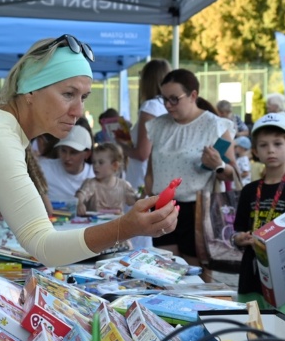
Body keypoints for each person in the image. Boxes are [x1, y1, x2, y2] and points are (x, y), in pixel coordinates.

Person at [0, 34, 179, 319]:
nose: (78, 111)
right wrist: (127, 227)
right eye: (68, 94)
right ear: (30, 91)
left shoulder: (0, 123)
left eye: (83, 97)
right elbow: (44, 246)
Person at [146, 68, 237, 267]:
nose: (168, 105)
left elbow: (233, 174)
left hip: (196, 209)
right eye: (164, 99)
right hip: (162, 206)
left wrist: (218, 165)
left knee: (196, 271)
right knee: (165, 270)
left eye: (174, 99)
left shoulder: (215, 125)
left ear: (193, 95)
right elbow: (151, 171)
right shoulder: (158, 125)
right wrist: (149, 199)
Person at [231, 113, 285, 320]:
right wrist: (239, 238)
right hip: (251, 277)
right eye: (264, 145)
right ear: (255, 151)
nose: (271, 150)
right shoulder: (249, 191)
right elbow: (238, 229)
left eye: (277, 144)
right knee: (251, 331)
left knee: (283, 333)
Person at [124, 59, 170, 194]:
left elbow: (142, 153)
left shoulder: (150, 107)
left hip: (142, 179)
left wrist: (119, 146)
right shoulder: (167, 106)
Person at [75, 143, 138, 216]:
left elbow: (135, 201)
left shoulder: (123, 186)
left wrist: (143, 193)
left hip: (118, 222)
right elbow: (81, 195)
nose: (95, 166)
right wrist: (79, 203)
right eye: (94, 162)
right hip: (95, 222)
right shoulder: (91, 184)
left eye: (100, 162)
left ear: (115, 165)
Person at [40, 124, 94, 202]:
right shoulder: (43, 168)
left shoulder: (95, 174)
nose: (67, 158)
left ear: (87, 154)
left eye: (73, 152)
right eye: (63, 150)